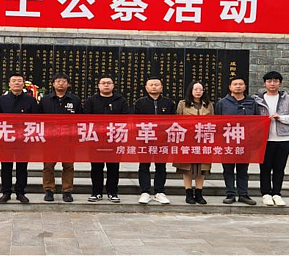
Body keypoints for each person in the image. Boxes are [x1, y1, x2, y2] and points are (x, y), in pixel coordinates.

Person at [254, 71, 289, 207]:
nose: (272, 84)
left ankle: (277, 193)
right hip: (265, 140)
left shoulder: (287, 99)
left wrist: (280, 118)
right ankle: (266, 194)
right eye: (269, 81)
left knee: (279, 168)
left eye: (275, 81)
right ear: (265, 84)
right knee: (265, 168)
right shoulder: (258, 100)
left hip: (283, 139)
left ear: (280, 83)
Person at [35, 73, 82, 203]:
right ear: (53, 84)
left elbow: (80, 119)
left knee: (68, 166)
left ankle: (67, 191)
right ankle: (49, 190)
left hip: (68, 138)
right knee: (48, 166)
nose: (61, 83)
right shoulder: (45, 100)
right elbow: (38, 118)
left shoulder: (75, 100)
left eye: (63, 81)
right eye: (58, 81)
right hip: (50, 139)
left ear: (68, 84)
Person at [84, 75, 130, 203]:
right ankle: (96, 192)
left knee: (113, 167)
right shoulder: (91, 100)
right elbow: (86, 118)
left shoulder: (121, 101)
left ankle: (112, 192)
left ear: (113, 85)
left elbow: (125, 118)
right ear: (98, 85)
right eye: (103, 83)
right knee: (96, 167)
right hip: (95, 139)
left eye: (109, 83)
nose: (106, 85)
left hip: (114, 139)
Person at [0, 73, 38, 204]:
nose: (17, 83)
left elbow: (35, 120)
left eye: (19, 81)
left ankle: (20, 192)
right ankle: (6, 192)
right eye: (14, 81)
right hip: (6, 138)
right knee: (6, 167)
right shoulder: (1, 100)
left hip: (23, 139)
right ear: (9, 84)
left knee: (22, 167)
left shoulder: (30, 100)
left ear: (23, 84)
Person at [215, 76, 260, 206]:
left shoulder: (251, 102)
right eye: (235, 84)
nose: (238, 86)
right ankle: (230, 194)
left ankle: (243, 194)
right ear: (230, 87)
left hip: (245, 142)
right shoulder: (222, 103)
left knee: (243, 170)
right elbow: (217, 123)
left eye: (241, 84)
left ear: (245, 87)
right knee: (228, 169)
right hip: (227, 142)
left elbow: (257, 121)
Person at [133, 77, 176, 205]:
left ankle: (159, 192)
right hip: (145, 139)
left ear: (161, 87)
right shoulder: (140, 103)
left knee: (161, 166)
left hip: (163, 140)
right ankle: (145, 191)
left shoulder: (169, 103)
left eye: (157, 85)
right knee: (144, 165)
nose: (154, 87)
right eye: (151, 85)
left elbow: (173, 121)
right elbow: (135, 122)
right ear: (146, 88)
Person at [174, 81, 213, 205]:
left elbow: (214, 122)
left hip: (204, 141)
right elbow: (177, 121)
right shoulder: (182, 104)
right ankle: (189, 193)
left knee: (202, 168)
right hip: (187, 140)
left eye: (200, 89)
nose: (198, 92)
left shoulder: (209, 105)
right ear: (190, 90)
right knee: (187, 168)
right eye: (195, 89)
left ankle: (199, 193)